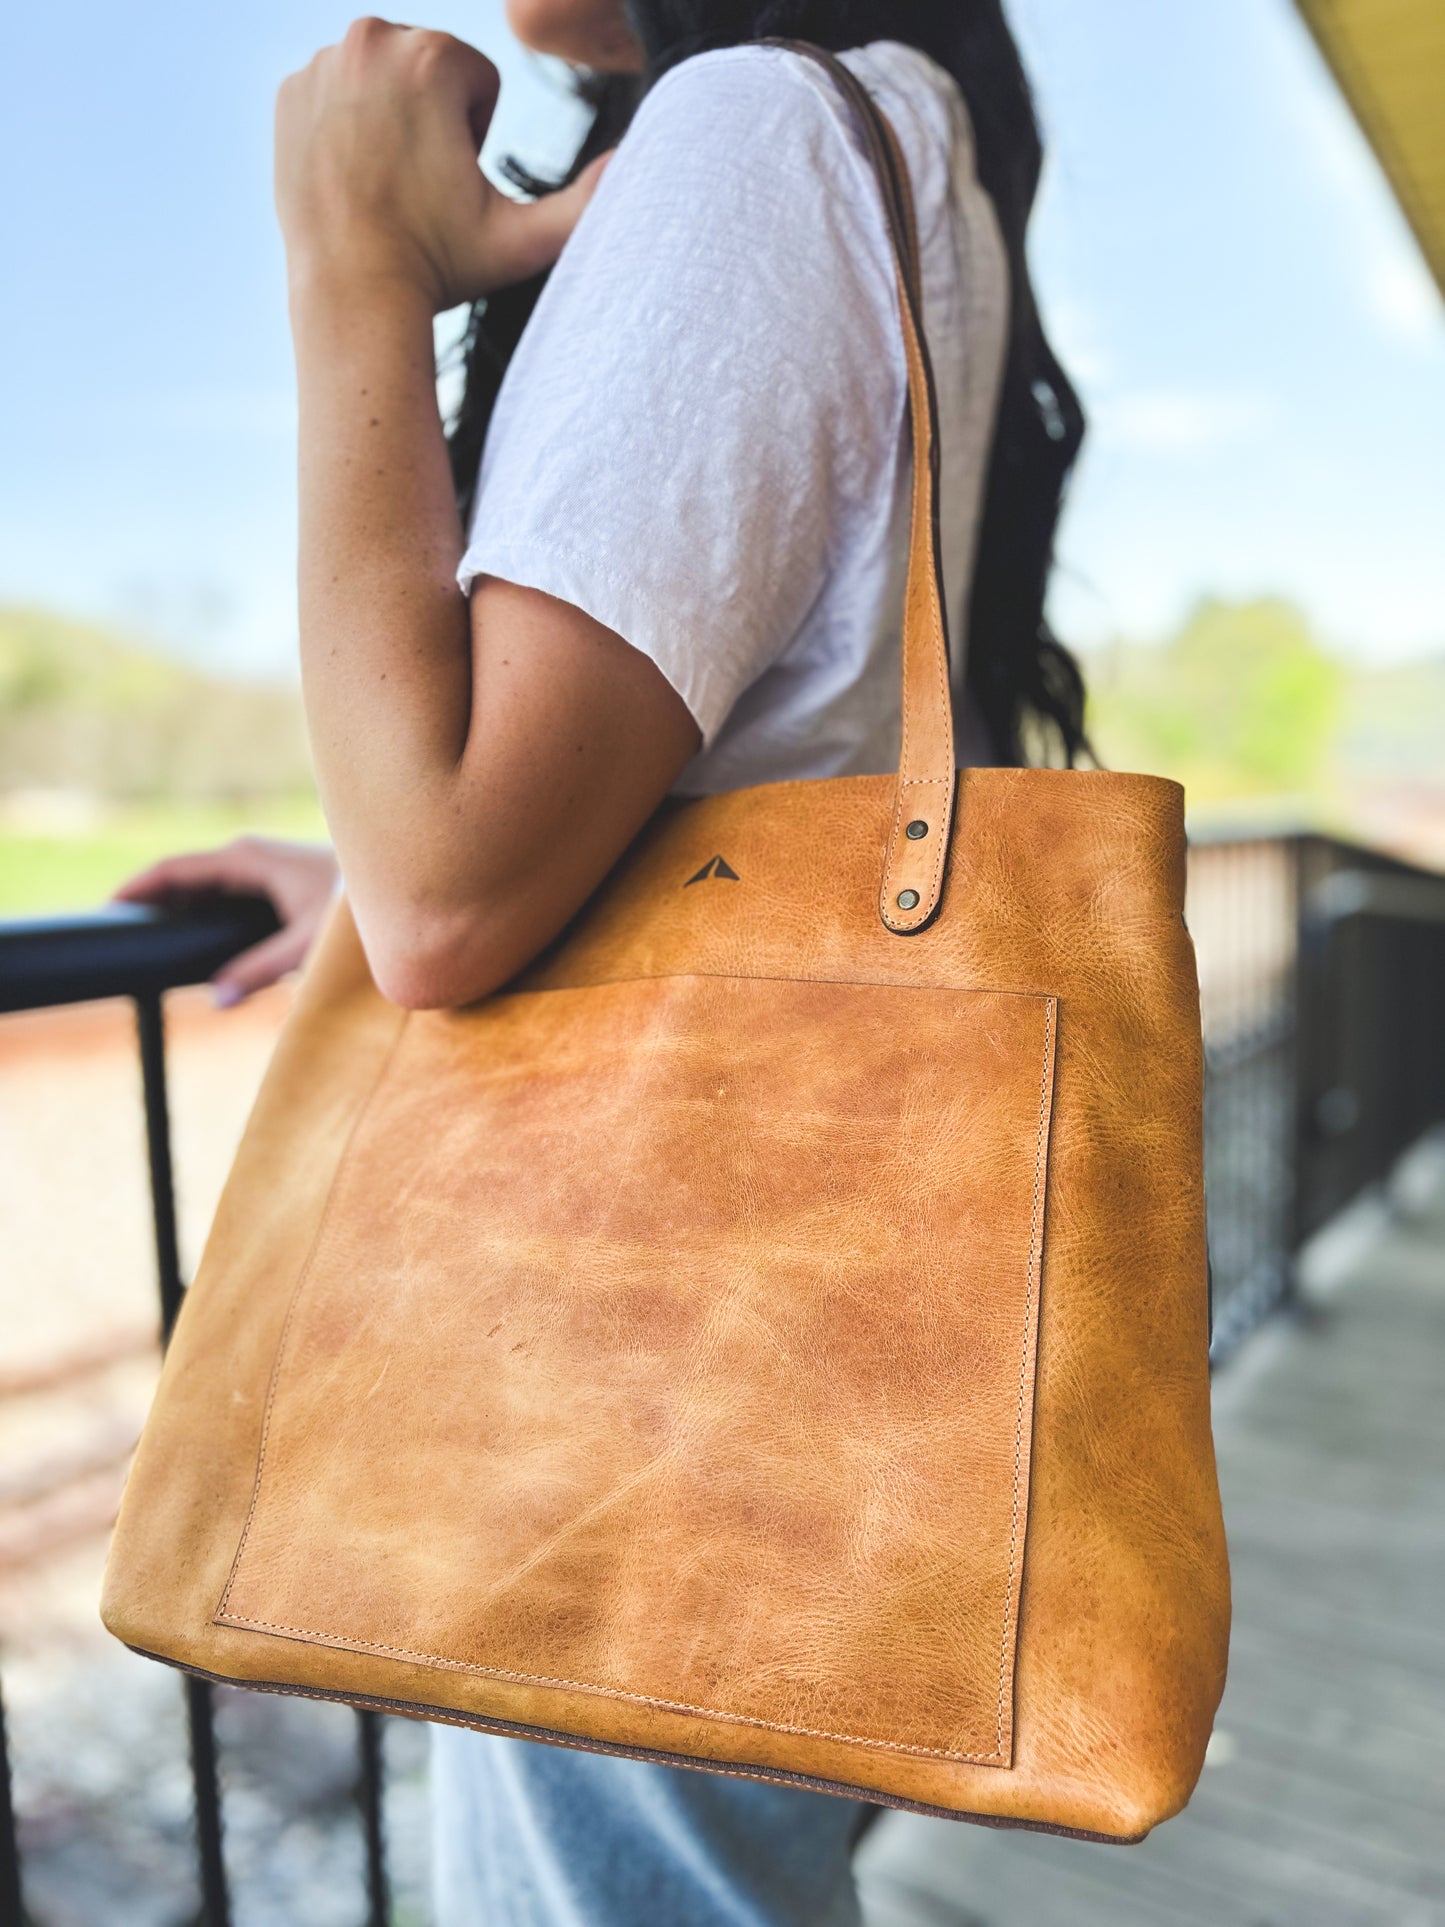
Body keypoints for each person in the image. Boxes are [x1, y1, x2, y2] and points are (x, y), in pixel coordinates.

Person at [118, 2, 1088, 1918]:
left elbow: (447, 898)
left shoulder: (755, 131)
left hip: (646, 1392)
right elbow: (756, 744)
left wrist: (348, 262)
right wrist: (384, 865)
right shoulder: (898, 133)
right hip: (779, 1361)